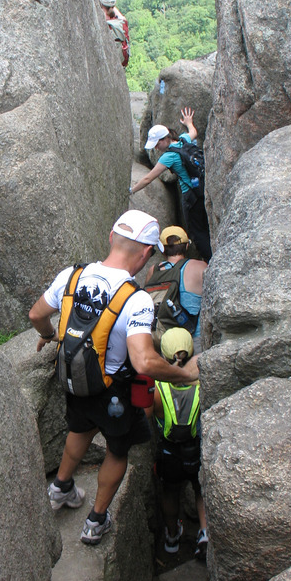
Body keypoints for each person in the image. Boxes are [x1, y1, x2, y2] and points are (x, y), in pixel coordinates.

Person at [29, 209, 200, 545]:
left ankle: (60, 487)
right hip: (115, 393)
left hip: (76, 379)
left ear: (111, 238)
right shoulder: (136, 299)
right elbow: (144, 360)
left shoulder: (71, 276)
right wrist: (182, 375)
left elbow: (36, 314)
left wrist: (49, 334)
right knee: (117, 451)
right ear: (148, 252)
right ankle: (95, 521)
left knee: (79, 429)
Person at [151, 327, 208, 559]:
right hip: (196, 450)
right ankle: (205, 533)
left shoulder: (158, 387)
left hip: (169, 452)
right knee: (201, 489)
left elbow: (146, 414)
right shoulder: (202, 382)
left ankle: (172, 536)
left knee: (170, 492)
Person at [130, 107, 211, 261]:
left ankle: (210, 260)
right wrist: (189, 122)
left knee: (197, 232)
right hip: (202, 190)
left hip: (191, 197)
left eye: (156, 144)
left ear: (165, 139)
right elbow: (193, 132)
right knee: (205, 227)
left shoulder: (169, 156)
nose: (156, 148)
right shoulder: (182, 141)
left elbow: (148, 178)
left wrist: (132, 190)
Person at [145, 225, 207, 350]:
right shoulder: (200, 266)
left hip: (166, 341)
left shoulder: (154, 270)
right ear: (187, 246)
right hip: (194, 338)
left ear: (162, 250)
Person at [99, 0, 130, 68]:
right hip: (122, 61)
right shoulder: (123, 22)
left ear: (102, 5)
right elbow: (118, 14)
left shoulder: (104, 24)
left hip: (111, 63)